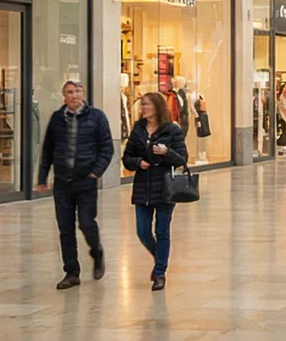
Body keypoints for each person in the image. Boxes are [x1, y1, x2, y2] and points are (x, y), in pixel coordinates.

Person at [35, 78, 115, 290]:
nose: (74, 95)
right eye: (70, 92)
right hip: (62, 182)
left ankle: (96, 252)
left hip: (86, 181)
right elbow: (48, 150)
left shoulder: (97, 117)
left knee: (87, 223)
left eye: (78, 91)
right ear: (64, 96)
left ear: (83, 94)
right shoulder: (57, 119)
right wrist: (42, 177)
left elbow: (107, 148)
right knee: (65, 228)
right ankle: (71, 272)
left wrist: (95, 173)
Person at [121, 92, 186, 292]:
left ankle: (159, 272)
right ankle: (160, 259)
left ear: (157, 107)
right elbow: (127, 157)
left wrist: (167, 152)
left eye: (146, 105)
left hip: (165, 187)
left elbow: (182, 159)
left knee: (162, 231)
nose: (143, 109)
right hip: (143, 186)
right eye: (142, 105)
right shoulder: (138, 129)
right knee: (142, 231)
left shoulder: (172, 130)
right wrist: (138, 162)